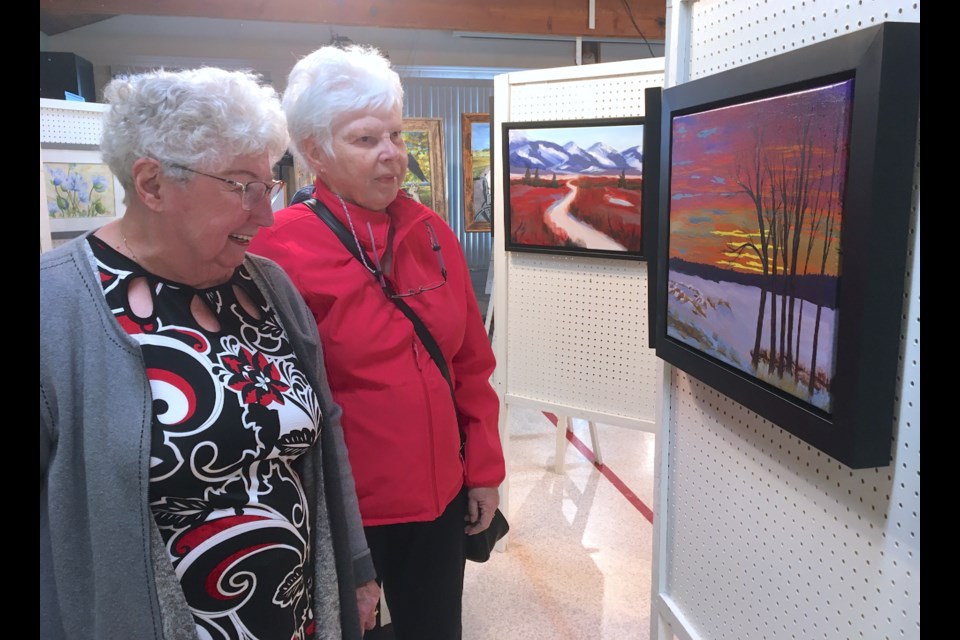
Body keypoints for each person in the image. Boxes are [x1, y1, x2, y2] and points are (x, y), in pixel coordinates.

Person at [40, 67, 380, 640]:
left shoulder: (269, 287)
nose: (265, 214)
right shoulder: (58, 306)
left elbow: (327, 436)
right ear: (151, 184)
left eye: (268, 186)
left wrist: (356, 568)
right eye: (241, 186)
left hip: (295, 618)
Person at [248, 45, 505, 639]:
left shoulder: (432, 232)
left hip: (441, 499)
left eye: (395, 133)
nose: (392, 154)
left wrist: (484, 469)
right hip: (345, 513)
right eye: (366, 140)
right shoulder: (275, 251)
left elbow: (469, 362)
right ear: (315, 151)